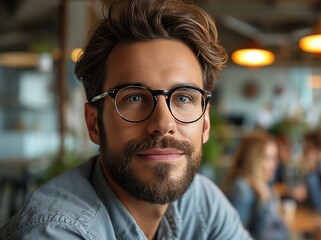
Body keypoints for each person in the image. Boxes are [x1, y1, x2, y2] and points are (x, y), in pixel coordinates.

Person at [0, 0, 252, 239]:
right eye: (134, 98)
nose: (163, 124)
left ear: (205, 123)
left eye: (183, 98)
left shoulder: (202, 202)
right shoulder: (55, 231)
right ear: (94, 123)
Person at [222, 131, 289, 240]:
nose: (275, 163)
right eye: (269, 158)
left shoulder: (260, 186)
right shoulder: (241, 189)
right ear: (254, 160)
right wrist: (264, 203)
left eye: (275, 157)